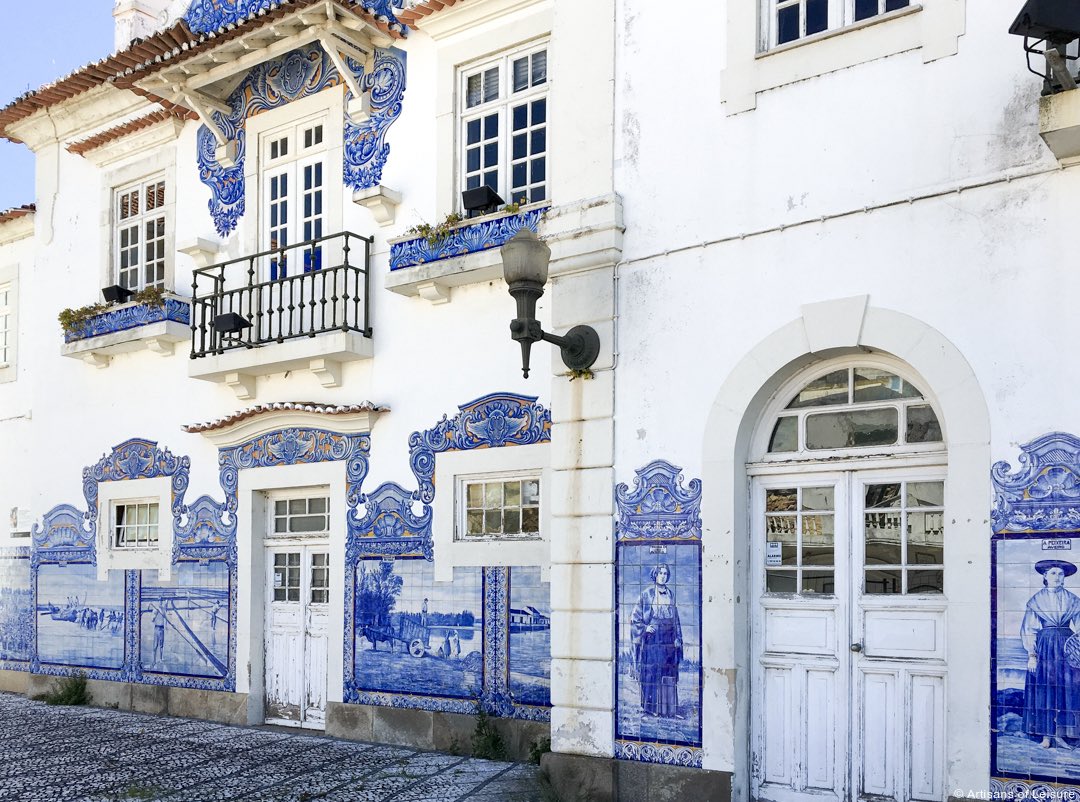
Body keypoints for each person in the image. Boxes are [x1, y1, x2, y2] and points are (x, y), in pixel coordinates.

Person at [1022, 559, 1080, 749]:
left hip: (1067, 647)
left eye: (1061, 574)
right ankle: (1046, 736)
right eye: (1053, 573)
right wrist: (1032, 655)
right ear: (1045, 576)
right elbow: (1029, 629)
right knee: (1045, 690)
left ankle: (1061, 735)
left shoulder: (1073, 600)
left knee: (1067, 690)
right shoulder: (1036, 600)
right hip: (1045, 647)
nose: (1057, 577)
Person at [630, 563, 684, 719]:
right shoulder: (647, 594)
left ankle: (669, 710)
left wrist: (677, 637)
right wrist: (645, 628)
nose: (663, 575)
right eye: (660, 573)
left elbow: (676, 618)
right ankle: (650, 709)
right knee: (652, 672)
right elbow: (635, 617)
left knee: (669, 670)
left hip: (668, 637)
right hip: (653, 639)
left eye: (666, 573)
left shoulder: (670, 594)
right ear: (655, 575)